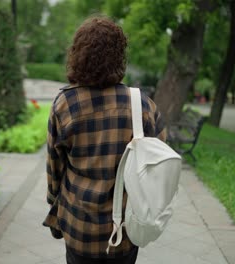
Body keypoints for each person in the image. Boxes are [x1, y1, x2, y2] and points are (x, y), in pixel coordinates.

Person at [42, 16, 166, 264]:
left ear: (78, 53)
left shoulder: (65, 104)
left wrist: (55, 207)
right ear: (119, 56)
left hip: (79, 228)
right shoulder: (142, 104)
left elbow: (54, 171)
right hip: (125, 229)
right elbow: (159, 161)